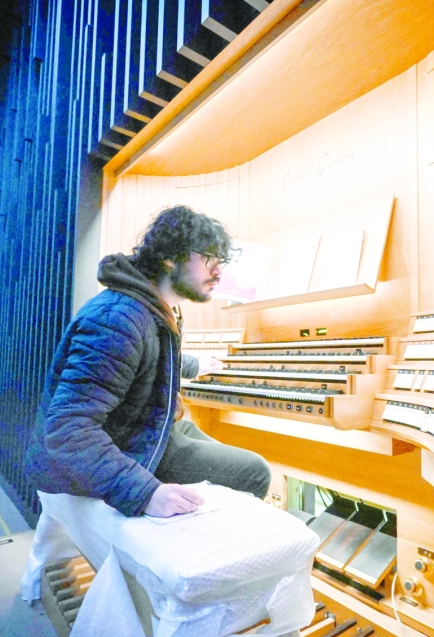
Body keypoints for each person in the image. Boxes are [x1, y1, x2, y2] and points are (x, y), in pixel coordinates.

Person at [24, 206, 271, 518]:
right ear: (170, 256)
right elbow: (68, 430)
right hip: (114, 448)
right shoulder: (117, 319)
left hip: (139, 429)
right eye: (209, 259)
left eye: (221, 261)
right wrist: (145, 492)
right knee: (255, 472)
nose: (218, 272)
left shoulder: (151, 307)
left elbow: (143, 358)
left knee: (229, 455)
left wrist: (194, 365)